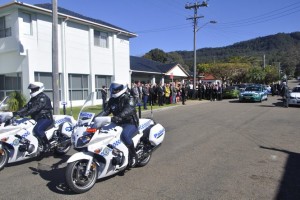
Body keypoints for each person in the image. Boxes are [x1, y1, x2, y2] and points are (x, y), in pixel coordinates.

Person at [96, 80, 139, 167]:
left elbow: (129, 109)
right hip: (117, 122)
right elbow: (106, 111)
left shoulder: (129, 98)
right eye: (113, 89)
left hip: (130, 123)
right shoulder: (112, 100)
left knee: (125, 135)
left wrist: (119, 116)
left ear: (121, 89)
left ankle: (133, 155)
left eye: (116, 89)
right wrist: (96, 118)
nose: (114, 91)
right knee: (103, 132)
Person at [14, 82, 53, 152]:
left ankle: (47, 144)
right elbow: (27, 107)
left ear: (39, 88)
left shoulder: (43, 97)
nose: (32, 91)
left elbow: (36, 107)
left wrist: (26, 113)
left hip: (45, 118)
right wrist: (17, 112)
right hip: (35, 118)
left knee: (37, 129)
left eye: (34, 89)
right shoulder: (33, 98)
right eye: (32, 89)